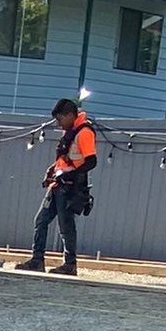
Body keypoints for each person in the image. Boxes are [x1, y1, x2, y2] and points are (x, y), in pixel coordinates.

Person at [27, 98, 98, 273]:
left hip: (70, 188)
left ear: (70, 115)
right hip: (58, 185)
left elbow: (91, 161)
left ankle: (70, 264)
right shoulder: (70, 133)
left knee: (66, 226)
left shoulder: (84, 133)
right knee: (41, 220)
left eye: (60, 119)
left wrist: (69, 174)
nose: (59, 124)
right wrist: (52, 170)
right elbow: (65, 159)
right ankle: (37, 260)